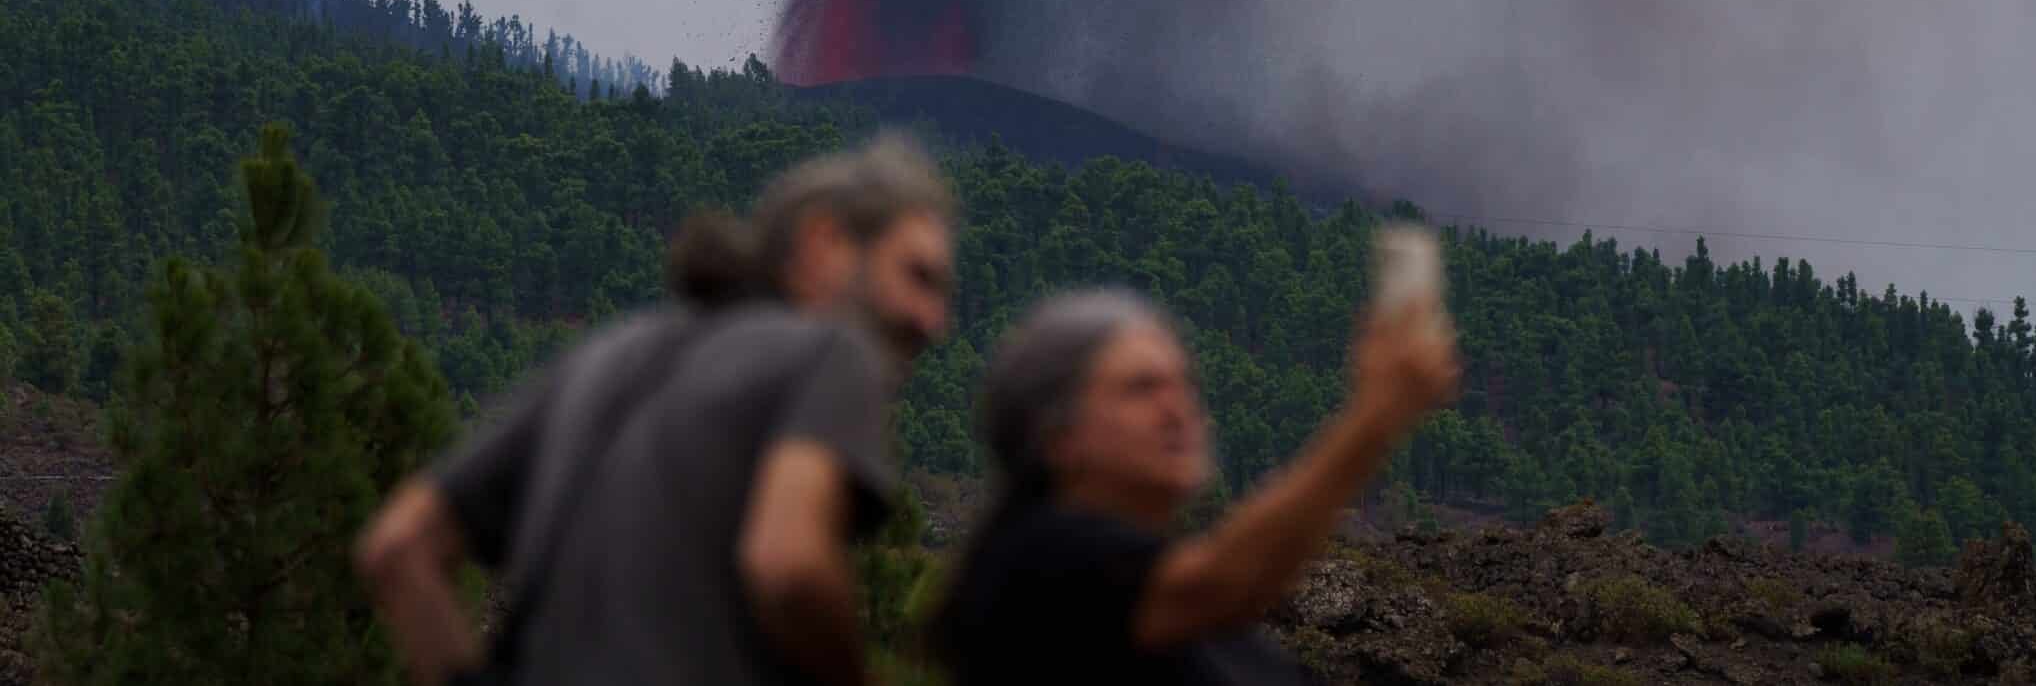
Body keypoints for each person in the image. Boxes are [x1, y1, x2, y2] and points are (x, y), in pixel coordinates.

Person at [354, 132, 957, 686]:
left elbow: (399, 546)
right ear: (824, 244)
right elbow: (789, 560)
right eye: (917, 276)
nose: (934, 322)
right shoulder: (832, 353)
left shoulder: (606, 356)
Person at [929, 286, 1461, 686]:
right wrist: (1374, 417)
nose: (1177, 407)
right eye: (1141, 388)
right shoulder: (1041, 559)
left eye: (1183, 383)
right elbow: (1227, 583)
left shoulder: (1159, 579)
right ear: (1056, 433)